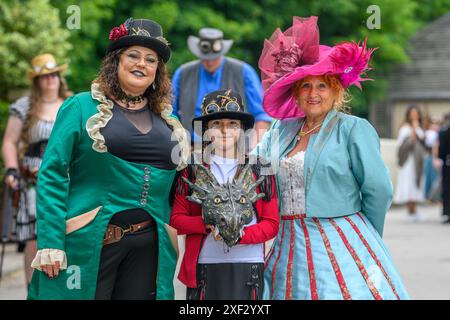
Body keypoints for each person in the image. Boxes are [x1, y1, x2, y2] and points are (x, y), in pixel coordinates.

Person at [27, 18, 190, 300]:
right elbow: (53, 172)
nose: (142, 64)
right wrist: (51, 241)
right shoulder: (81, 106)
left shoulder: (170, 121)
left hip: (150, 246)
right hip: (89, 241)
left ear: (157, 71)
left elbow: (182, 186)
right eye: (134, 55)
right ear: (116, 60)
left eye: (151, 59)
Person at [253, 16, 409, 300]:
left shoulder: (353, 129)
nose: (313, 94)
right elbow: (251, 171)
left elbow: (379, 189)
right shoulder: (281, 130)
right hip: (287, 241)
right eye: (306, 86)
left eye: (322, 86)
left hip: (342, 238)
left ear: (336, 90)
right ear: (295, 93)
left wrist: (365, 234)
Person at [170, 89, 279, 300]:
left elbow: (271, 224)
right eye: (216, 124)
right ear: (206, 131)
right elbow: (177, 219)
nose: (224, 130)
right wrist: (206, 225)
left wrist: (240, 236)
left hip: (248, 265)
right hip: (204, 264)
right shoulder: (192, 168)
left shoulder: (260, 168)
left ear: (242, 130)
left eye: (232, 124)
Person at [1, 53, 71, 288]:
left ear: (60, 77)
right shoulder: (24, 106)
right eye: (44, 76)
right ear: (37, 81)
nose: (50, 79)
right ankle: (34, 287)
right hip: (34, 178)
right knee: (34, 233)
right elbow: (9, 141)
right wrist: (11, 169)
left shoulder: (70, 103)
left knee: (65, 230)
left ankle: (59, 286)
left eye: (54, 74)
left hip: (66, 177)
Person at [172, 28, 272, 144]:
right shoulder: (183, 73)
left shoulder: (244, 72)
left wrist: (253, 149)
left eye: (214, 57)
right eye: (205, 58)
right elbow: (170, 114)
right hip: (190, 146)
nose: (209, 62)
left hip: (235, 148)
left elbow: (261, 115)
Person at [394, 106, 427, 221]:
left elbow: (423, 141)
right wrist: (413, 128)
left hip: (417, 161)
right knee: (408, 184)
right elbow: (403, 144)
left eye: (416, 113)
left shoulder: (420, 127)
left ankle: (414, 210)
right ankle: (410, 211)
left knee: (416, 182)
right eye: (412, 113)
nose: (414, 116)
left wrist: (417, 128)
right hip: (408, 160)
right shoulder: (405, 128)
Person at [438, 113, 450, 223]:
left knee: (447, 189)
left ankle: (447, 212)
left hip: (447, 164)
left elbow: (441, 152)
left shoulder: (443, 134)